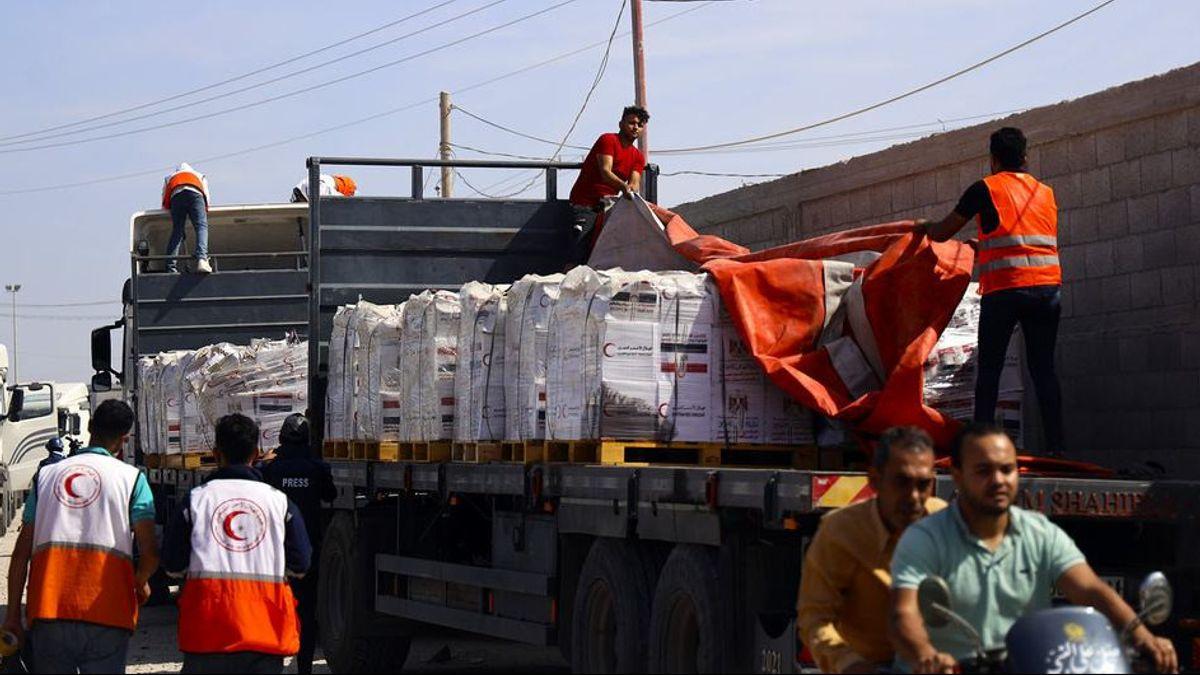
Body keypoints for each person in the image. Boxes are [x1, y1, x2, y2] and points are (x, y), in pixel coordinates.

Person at [888, 423, 1177, 674]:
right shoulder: (924, 538)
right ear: (958, 476)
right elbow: (904, 614)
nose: (998, 480)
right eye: (983, 471)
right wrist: (927, 656)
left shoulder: (1039, 532)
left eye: (1007, 469)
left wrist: (1143, 636)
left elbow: (1090, 590)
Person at [919, 127, 1064, 455]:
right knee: (1043, 370)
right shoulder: (1045, 193)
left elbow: (942, 232)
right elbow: (1021, 237)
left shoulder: (985, 188)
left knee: (990, 370)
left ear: (993, 160)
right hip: (1047, 291)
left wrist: (922, 228)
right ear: (1025, 157)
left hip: (1006, 291)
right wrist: (984, 243)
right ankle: (1057, 446)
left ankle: (980, 445)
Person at [3, 399, 159, 673]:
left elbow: (20, 554)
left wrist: (13, 615)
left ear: (89, 426)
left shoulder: (46, 477)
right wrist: (139, 582)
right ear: (124, 439)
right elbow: (150, 554)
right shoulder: (133, 479)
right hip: (108, 611)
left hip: (50, 608)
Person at [164, 413, 311, 674]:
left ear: (216, 454)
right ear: (256, 453)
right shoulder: (279, 503)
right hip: (265, 635)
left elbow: (172, 564)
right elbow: (301, 564)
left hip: (207, 635)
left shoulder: (195, 501)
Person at [797, 427, 946, 673]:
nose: (913, 497)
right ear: (875, 480)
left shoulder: (944, 523)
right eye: (901, 482)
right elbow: (815, 618)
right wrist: (849, 663)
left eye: (923, 485)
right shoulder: (840, 532)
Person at [260, 414, 337, 675]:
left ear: (281, 438)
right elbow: (330, 495)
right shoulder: (317, 468)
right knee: (306, 611)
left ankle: (272, 664)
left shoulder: (270, 470)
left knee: (273, 610)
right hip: (307, 552)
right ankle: (304, 668)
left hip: (274, 554)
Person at [568, 105, 649, 257]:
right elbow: (606, 172)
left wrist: (630, 189)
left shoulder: (638, 156)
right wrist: (624, 188)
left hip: (608, 207)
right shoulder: (608, 140)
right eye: (631, 123)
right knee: (578, 255)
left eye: (640, 125)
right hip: (586, 203)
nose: (635, 127)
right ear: (621, 124)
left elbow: (634, 183)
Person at [162, 162, 213, 274]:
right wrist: (204, 209)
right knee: (201, 227)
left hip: (176, 195)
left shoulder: (169, 177)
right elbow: (206, 196)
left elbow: (165, 200)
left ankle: (170, 266)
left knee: (177, 231)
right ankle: (202, 259)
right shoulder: (199, 175)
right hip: (196, 194)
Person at [290, 174, 357, 203]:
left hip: (301, 193)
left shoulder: (325, 180)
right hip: (304, 194)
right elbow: (344, 202)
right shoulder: (325, 187)